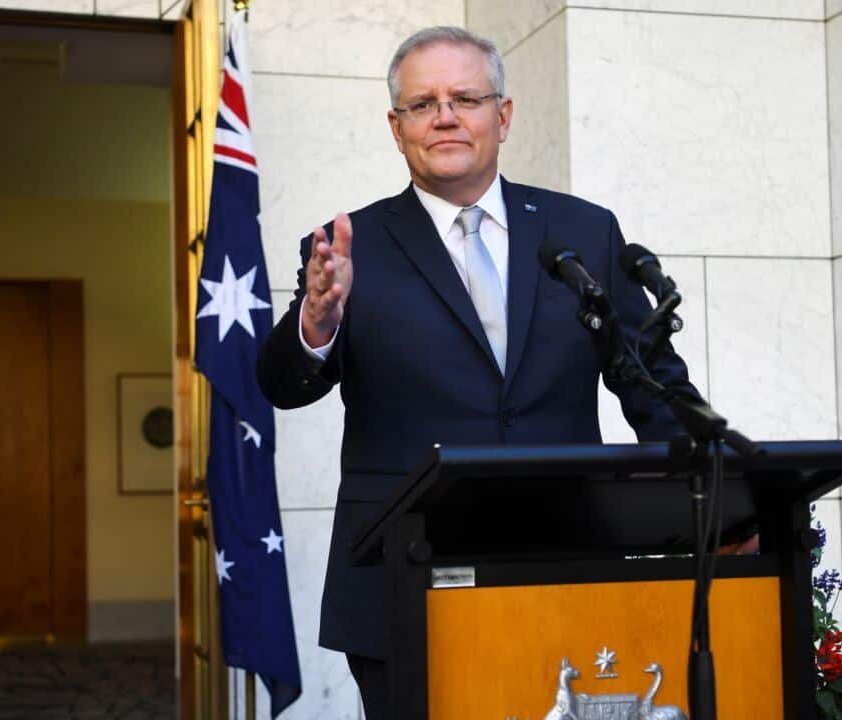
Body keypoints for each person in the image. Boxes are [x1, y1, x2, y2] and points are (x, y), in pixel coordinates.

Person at [256, 26, 703, 718]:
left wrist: (713, 498)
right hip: (403, 581)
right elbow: (283, 385)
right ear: (397, 127)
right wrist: (316, 322)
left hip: (566, 562)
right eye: (422, 103)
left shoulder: (582, 233)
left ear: (504, 114)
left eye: (465, 98)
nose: (445, 116)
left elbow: (653, 382)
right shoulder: (347, 248)